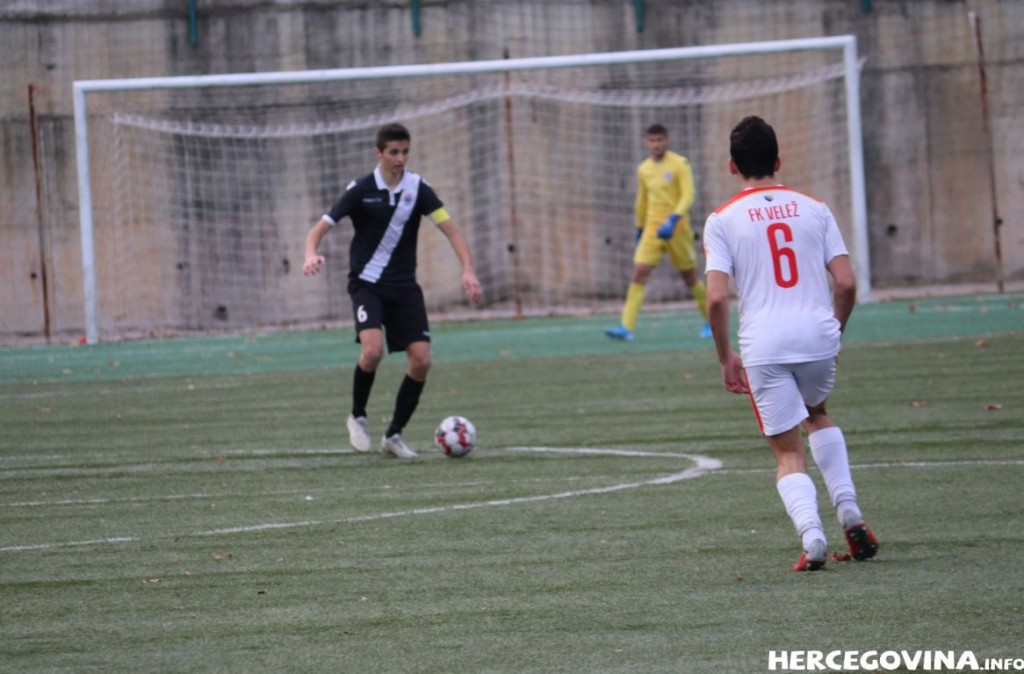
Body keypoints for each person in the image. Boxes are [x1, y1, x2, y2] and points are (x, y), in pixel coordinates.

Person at [702, 116, 878, 571]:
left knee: (787, 451)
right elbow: (846, 284)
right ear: (778, 161)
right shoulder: (815, 208)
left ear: (731, 167)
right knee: (817, 414)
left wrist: (725, 358)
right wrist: (834, 332)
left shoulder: (721, 219)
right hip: (817, 336)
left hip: (765, 346)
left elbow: (718, 298)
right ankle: (850, 510)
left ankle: (813, 538)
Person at [303, 122, 482, 459]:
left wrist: (468, 270)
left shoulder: (419, 189)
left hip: (404, 287)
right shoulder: (360, 189)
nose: (401, 159)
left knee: (422, 361)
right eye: (394, 152)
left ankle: (393, 435)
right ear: (379, 153)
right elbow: (318, 229)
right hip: (367, 284)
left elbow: (452, 231)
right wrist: (311, 253)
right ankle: (357, 415)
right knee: (372, 352)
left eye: (405, 152)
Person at [605, 123, 710, 342]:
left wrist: (673, 219)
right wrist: (639, 227)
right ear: (646, 143)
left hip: (677, 228)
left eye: (659, 140)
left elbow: (688, 195)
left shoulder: (680, 164)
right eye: (652, 141)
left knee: (689, 277)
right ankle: (626, 327)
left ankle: (710, 321)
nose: (656, 145)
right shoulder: (644, 169)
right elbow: (642, 200)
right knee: (639, 273)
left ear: (667, 140)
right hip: (652, 228)